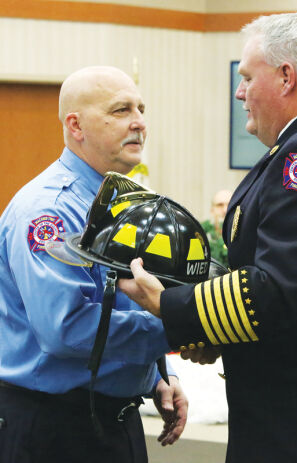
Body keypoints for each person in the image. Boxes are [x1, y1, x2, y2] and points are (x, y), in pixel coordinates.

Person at [119, 13, 297, 463]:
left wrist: (167, 303)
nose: (239, 91)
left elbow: (277, 291)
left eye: (247, 77)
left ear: (286, 76)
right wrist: (216, 333)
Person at [0, 66, 188, 463]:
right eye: (121, 111)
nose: (139, 122)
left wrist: (157, 377)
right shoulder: (49, 212)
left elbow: (127, 300)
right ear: (76, 125)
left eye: (141, 108)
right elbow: (66, 329)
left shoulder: (128, 204)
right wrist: (177, 326)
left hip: (114, 420)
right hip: (54, 429)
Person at [202, 189, 232, 267]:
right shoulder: (202, 235)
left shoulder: (243, 235)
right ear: (212, 210)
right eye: (220, 205)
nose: (225, 210)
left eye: (230, 204)